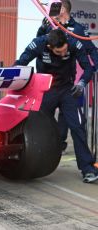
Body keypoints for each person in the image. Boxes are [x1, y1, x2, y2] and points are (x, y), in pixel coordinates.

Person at [15, 29, 98, 183]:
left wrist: (81, 84)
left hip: (68, 90)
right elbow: (20, 63)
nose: (63, 53)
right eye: (59, 51)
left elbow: (88, 68)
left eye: (65, 49)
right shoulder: (39, 43)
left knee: (77, 127)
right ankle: (36, 164)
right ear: (49, 46)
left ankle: (88, 169)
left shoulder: (74, 43)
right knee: (38, 129)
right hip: (45, 90)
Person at [37, 0, 98, 154]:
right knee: (44, 118)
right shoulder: (49, 25)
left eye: (56, 6)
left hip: (67, 82)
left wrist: (95, 66)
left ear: (62, 9)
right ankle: (48, 146)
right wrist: (42, 28)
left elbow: (90, 48)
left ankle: (60, 143)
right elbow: (38, 44)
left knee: (69, 117)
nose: (53, 9)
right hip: (47, 83)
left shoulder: (76, 28)